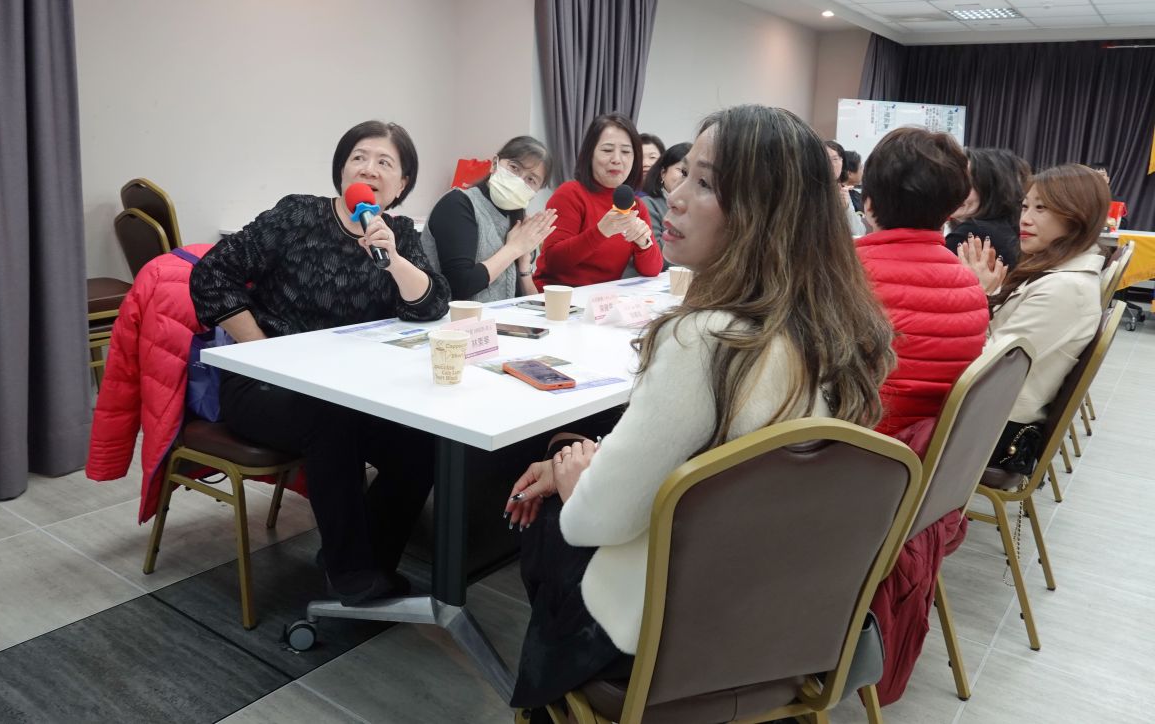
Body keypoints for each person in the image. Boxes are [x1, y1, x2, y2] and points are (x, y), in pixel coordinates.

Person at [505, 105, 897, 711]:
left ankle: (549, 702)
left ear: (765, 213)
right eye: (683, 174)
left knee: (552, 521)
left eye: (706, 183)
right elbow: (709, 461)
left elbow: (592, 523)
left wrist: (575, 477)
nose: (677, 196)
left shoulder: (706, 341)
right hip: (788, 613)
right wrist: (596, 462)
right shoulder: (836, 326)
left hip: (675, 635)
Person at [189, 120, 451, 605]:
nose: (369, 169)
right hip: (263, 385)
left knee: (423, 442)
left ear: (402, 184)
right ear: (341, 170)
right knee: (331, 418)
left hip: (349, 390)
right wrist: (260, 349)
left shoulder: (399, 234)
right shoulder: (297, 215)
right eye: (358, 158)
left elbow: (432, 305)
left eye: (385, 162)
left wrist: (393, 259)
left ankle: (366, 558)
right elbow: (212, 275)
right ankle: (351, 575)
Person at [960, 164, 1109, 472]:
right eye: (1025, 206)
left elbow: (987, 367)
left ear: (1077, 216)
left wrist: (976, 296)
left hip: (993, 429)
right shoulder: (1057, 272)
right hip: (991, 414)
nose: (1025, 219)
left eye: (1041, 208)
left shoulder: (1065, 288)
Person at [857, 128, 989, 438]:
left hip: (850, 444)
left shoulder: (841, 272)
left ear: (869, 205)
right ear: (950, 210)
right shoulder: (971, 286)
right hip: (929, 450)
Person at [534, 114, 663, 288]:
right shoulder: (570, 193)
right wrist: (600, 232)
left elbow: (652, 270)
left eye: (626, 152)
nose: (616, 159)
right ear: (590, 154)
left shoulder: (635, 205)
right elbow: (553, 262)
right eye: (607, 150)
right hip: (557, 296)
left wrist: (643, 242)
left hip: (602, 298)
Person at [422, 136, 557, 302]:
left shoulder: (519, 222)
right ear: (494, 164)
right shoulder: (457, 204)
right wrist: (513, 249)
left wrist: (524, 266)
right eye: (514, 168)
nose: (519, 181)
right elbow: (460, 286)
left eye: (531, 180)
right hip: (455, 317)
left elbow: (529, 302)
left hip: (505, 317)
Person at [945, 147, 1023, 270]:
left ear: (992, 189)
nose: (956, 191)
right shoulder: (1010, 230)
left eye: (968, 184)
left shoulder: (970, 233)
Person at [639, 141, 690, 260]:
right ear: (663, 173)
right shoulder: (648, 204)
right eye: (683, 171)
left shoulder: (697, 207)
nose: (688, 178)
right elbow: (656, 254)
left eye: (694, 174)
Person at [826, 139, 865, 237]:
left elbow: (859, 232)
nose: (831, 164)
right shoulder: (810, 190)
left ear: (842, 162)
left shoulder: (842, 191)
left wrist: (846, 208)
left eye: (835, 159)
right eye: (826, 159)